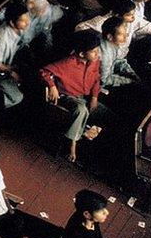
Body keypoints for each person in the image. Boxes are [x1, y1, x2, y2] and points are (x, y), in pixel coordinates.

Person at [42, 31, 111, 162]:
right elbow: (44, 71)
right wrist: (52, 86)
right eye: (93, 51)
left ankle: (88, 136)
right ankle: (72, 143)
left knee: (107, 115)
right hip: (68, 97)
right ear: (81, 54)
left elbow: (97, 79)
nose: (97, 54)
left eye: (97, 50)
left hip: (85, 97)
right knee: (81, 110)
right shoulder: (68, 63)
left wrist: (94, 97)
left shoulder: (94, 62)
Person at [58, 190, 131, 238]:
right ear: (87, 214)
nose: (107, 213)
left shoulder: (88, 219)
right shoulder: (80, 236)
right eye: (101, 211)